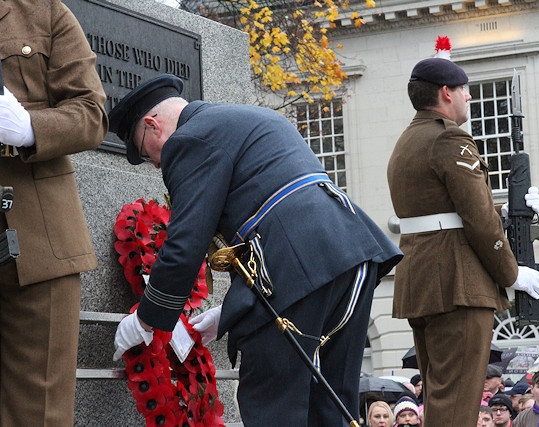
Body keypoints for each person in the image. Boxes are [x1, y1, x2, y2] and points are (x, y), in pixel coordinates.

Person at [107, 74, 403, 426]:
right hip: (352, 252)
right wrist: (232, 311)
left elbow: (186, 243)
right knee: (330, 405)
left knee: (272, 407)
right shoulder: (251, 118)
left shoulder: (188, 140)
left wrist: (147, 318)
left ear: (152, 125)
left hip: (299, 273)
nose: (156, 164)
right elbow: (272, 221)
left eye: (146, 153)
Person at [0, 1, 108, 425]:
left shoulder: (44, 11)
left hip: (41, 246)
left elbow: (92, 111)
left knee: (42, 414)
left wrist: (30, 127)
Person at [386, 46, 539, 426]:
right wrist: (511, 272)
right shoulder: (449, 139)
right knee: (457, 404)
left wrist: (508, 212)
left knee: (442, 397)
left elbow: (445, 210)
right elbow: (476, 218)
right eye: (464, 89)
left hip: (423, 280)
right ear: (446, 92)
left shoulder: (407, 141)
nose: (469, 96)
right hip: (455, 283)